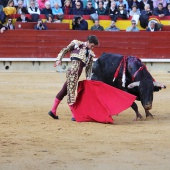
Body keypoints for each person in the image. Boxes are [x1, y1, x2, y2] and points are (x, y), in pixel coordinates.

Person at [48, 35, 99, 120]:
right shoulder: (76, 44)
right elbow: (65, 50)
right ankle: (74, 115)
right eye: (92, 45)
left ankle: (53, 111)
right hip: (72, 72)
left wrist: (89, 79)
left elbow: (89, 69)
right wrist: (58, 59)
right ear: (88, 42)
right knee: (71, 92)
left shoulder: (90, 54)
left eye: (94, 46)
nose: (92, 48)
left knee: (64, 91)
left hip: (76, 75)